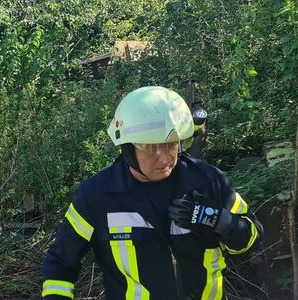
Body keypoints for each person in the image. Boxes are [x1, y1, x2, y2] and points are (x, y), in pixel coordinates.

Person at [40, 86, 263, 300]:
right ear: (127, 148)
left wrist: (221, 222)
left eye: (171, 145)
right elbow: (61, 262)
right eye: (151, 148)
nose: (165, 158)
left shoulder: (207, 181)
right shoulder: (96, 195)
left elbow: (251, 240)